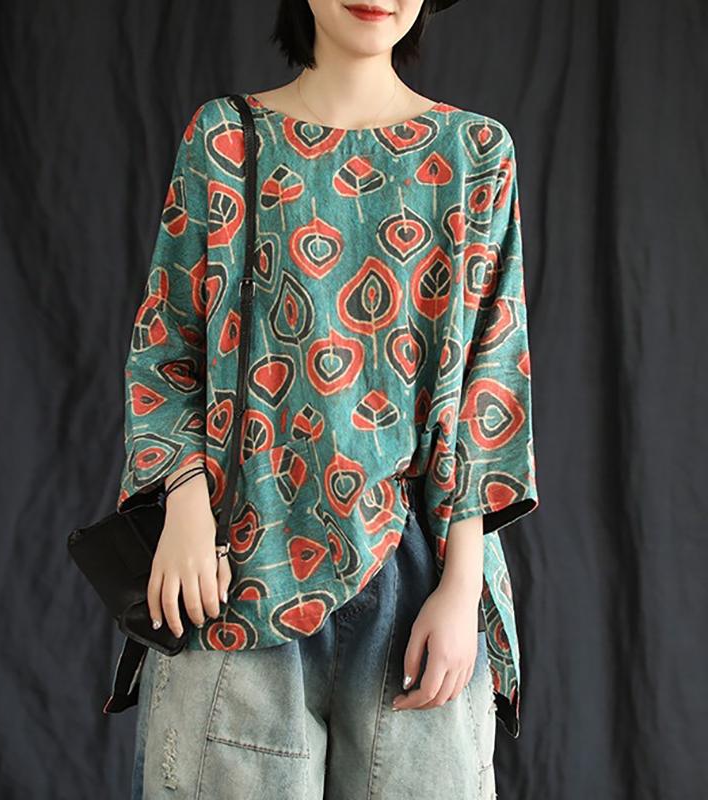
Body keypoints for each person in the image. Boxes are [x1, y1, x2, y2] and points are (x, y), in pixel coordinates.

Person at [116, 1, 539, 797]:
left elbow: (492, 378)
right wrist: (184, 499)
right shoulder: (225, 138)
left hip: (419, 567)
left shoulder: (476, 153)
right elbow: (167, 343)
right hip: (237, 563)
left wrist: (463, 584)